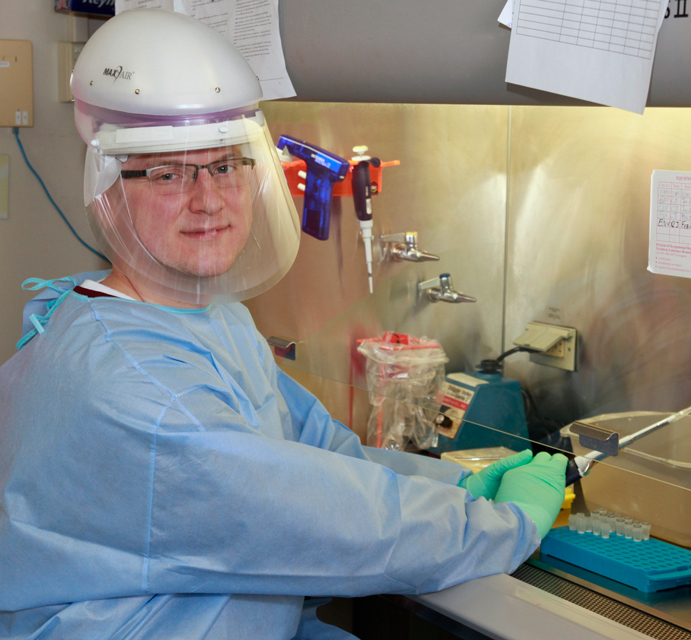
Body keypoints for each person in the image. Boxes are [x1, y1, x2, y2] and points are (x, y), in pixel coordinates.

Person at [0, 9, 567, 640]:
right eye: (167, 172)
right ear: (107, 187)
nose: (208, 198)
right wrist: (507, 521)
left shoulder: (208, 319)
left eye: (226, 165)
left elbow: (317, 456)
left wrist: (459, 484)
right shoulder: (139, 393)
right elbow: (330, 521)